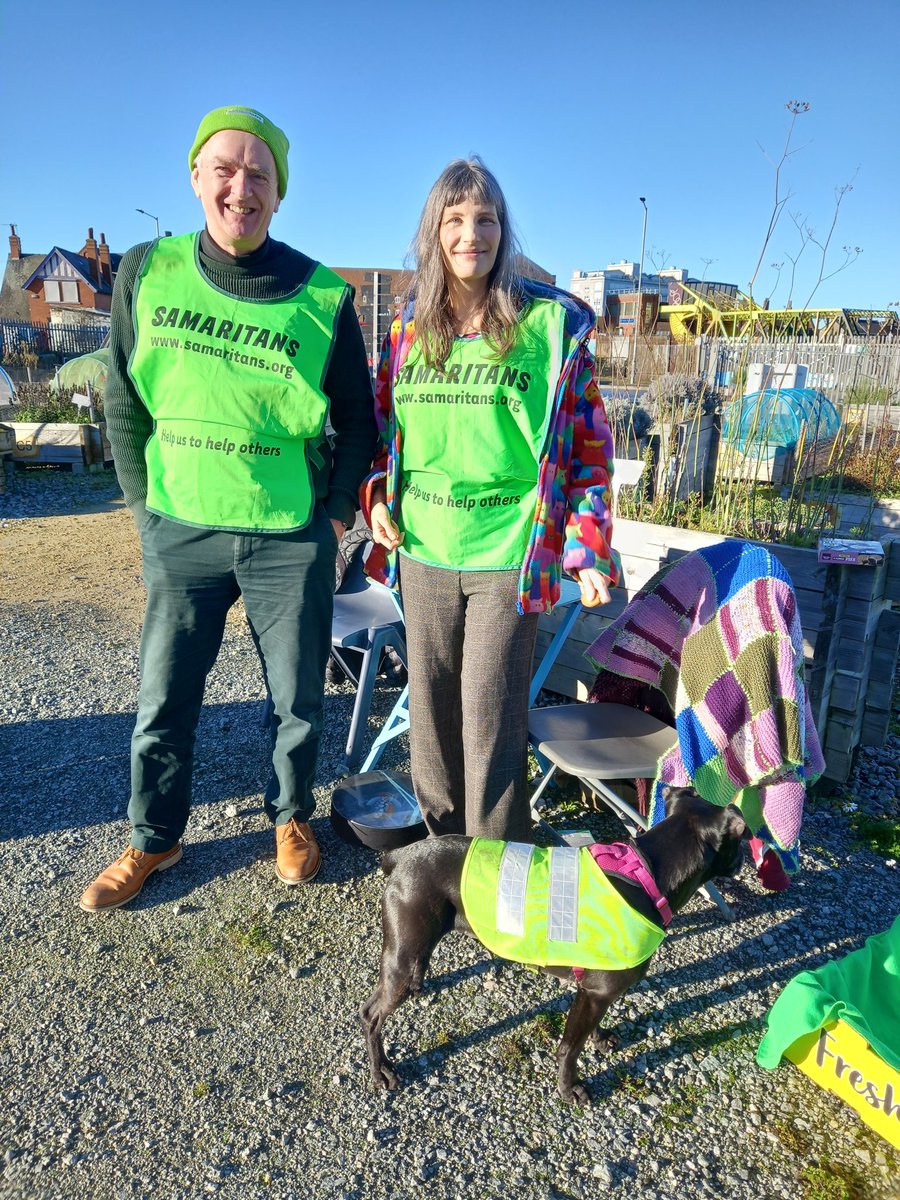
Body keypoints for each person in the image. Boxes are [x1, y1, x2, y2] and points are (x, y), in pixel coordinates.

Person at [79, 105, 376, 912]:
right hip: (182, 529)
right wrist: (145, 511)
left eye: (259, 175)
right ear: (196, 178)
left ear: (279, 195)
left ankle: (290, 819)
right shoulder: (147, 271)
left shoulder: (323, 297)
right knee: (164, 698)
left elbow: (359, 418)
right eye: (225, 170)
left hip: (290, 538)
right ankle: (154, 838)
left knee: (297, 700)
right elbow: (124, 401)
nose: (240, 188)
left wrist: (338, 520)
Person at [361, 157, 620, 842]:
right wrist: (378, 497)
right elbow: (386, 434)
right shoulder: (407, 332)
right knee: (430, 712)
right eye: (455, 220)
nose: (471, 233)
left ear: (503, 231)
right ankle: (441, 852)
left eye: (485, 218)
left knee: (489, 715)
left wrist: (589, 549)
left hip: (508, 553)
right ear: (434, 233)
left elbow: (589, 449)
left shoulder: (547, 332)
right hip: (422, 550)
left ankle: (496, 860)